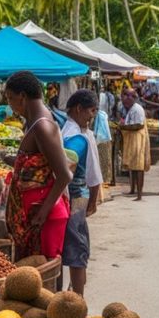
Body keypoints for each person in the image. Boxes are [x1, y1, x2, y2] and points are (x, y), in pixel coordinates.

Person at [4, 71, 72, 260]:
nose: (9, 104)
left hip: (43, 218)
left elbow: (65, 175)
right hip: (34, 216)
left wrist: (43, 212)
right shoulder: (34, 122)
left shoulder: (42, 126)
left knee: (41, 277)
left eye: (10, 98)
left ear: (22, 97)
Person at [61, 90, 102, 296]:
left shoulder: (64, 130)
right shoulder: (77, 139)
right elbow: (91, 175)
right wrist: (93, 201)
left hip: (67, 197)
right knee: (78, 250)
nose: (92, 117)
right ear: (79, 109)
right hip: (75, 198)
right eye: (91, 111)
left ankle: (71, 294)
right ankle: (77, 298)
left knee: (67, 248)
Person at [119, 89, 150, 201]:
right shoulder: (130, 109)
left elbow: (138, 125)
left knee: (138, 167)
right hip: (132, 139)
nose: (124, 100)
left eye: (127, 97)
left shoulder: (137, 109)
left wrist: (123, 127)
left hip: (137, 140)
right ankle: (133, 189)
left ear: (133, 97)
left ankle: (139, 195)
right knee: (133, 167)